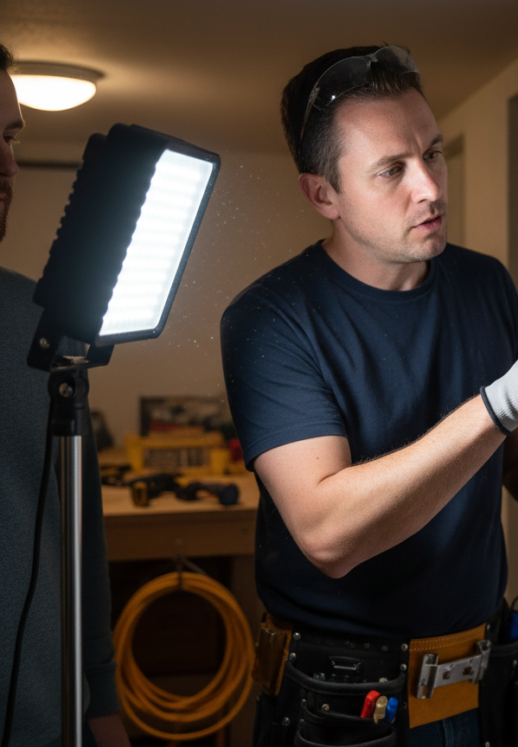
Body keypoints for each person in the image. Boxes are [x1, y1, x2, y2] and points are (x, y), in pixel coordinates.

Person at [220, 45, 518, 747]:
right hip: (344, 708)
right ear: (323, 195)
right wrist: (498, 402)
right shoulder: (271, 318)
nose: (430, 187)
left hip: (480, 683)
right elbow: (328, 534)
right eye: (391, 170)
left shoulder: (484, 283)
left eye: (434, 153)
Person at [0, 44, 130, 747]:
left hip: (50, 723)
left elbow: (82, 534)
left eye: (10, 136)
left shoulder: (42, 327)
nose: (7, 163)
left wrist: (101, 702)